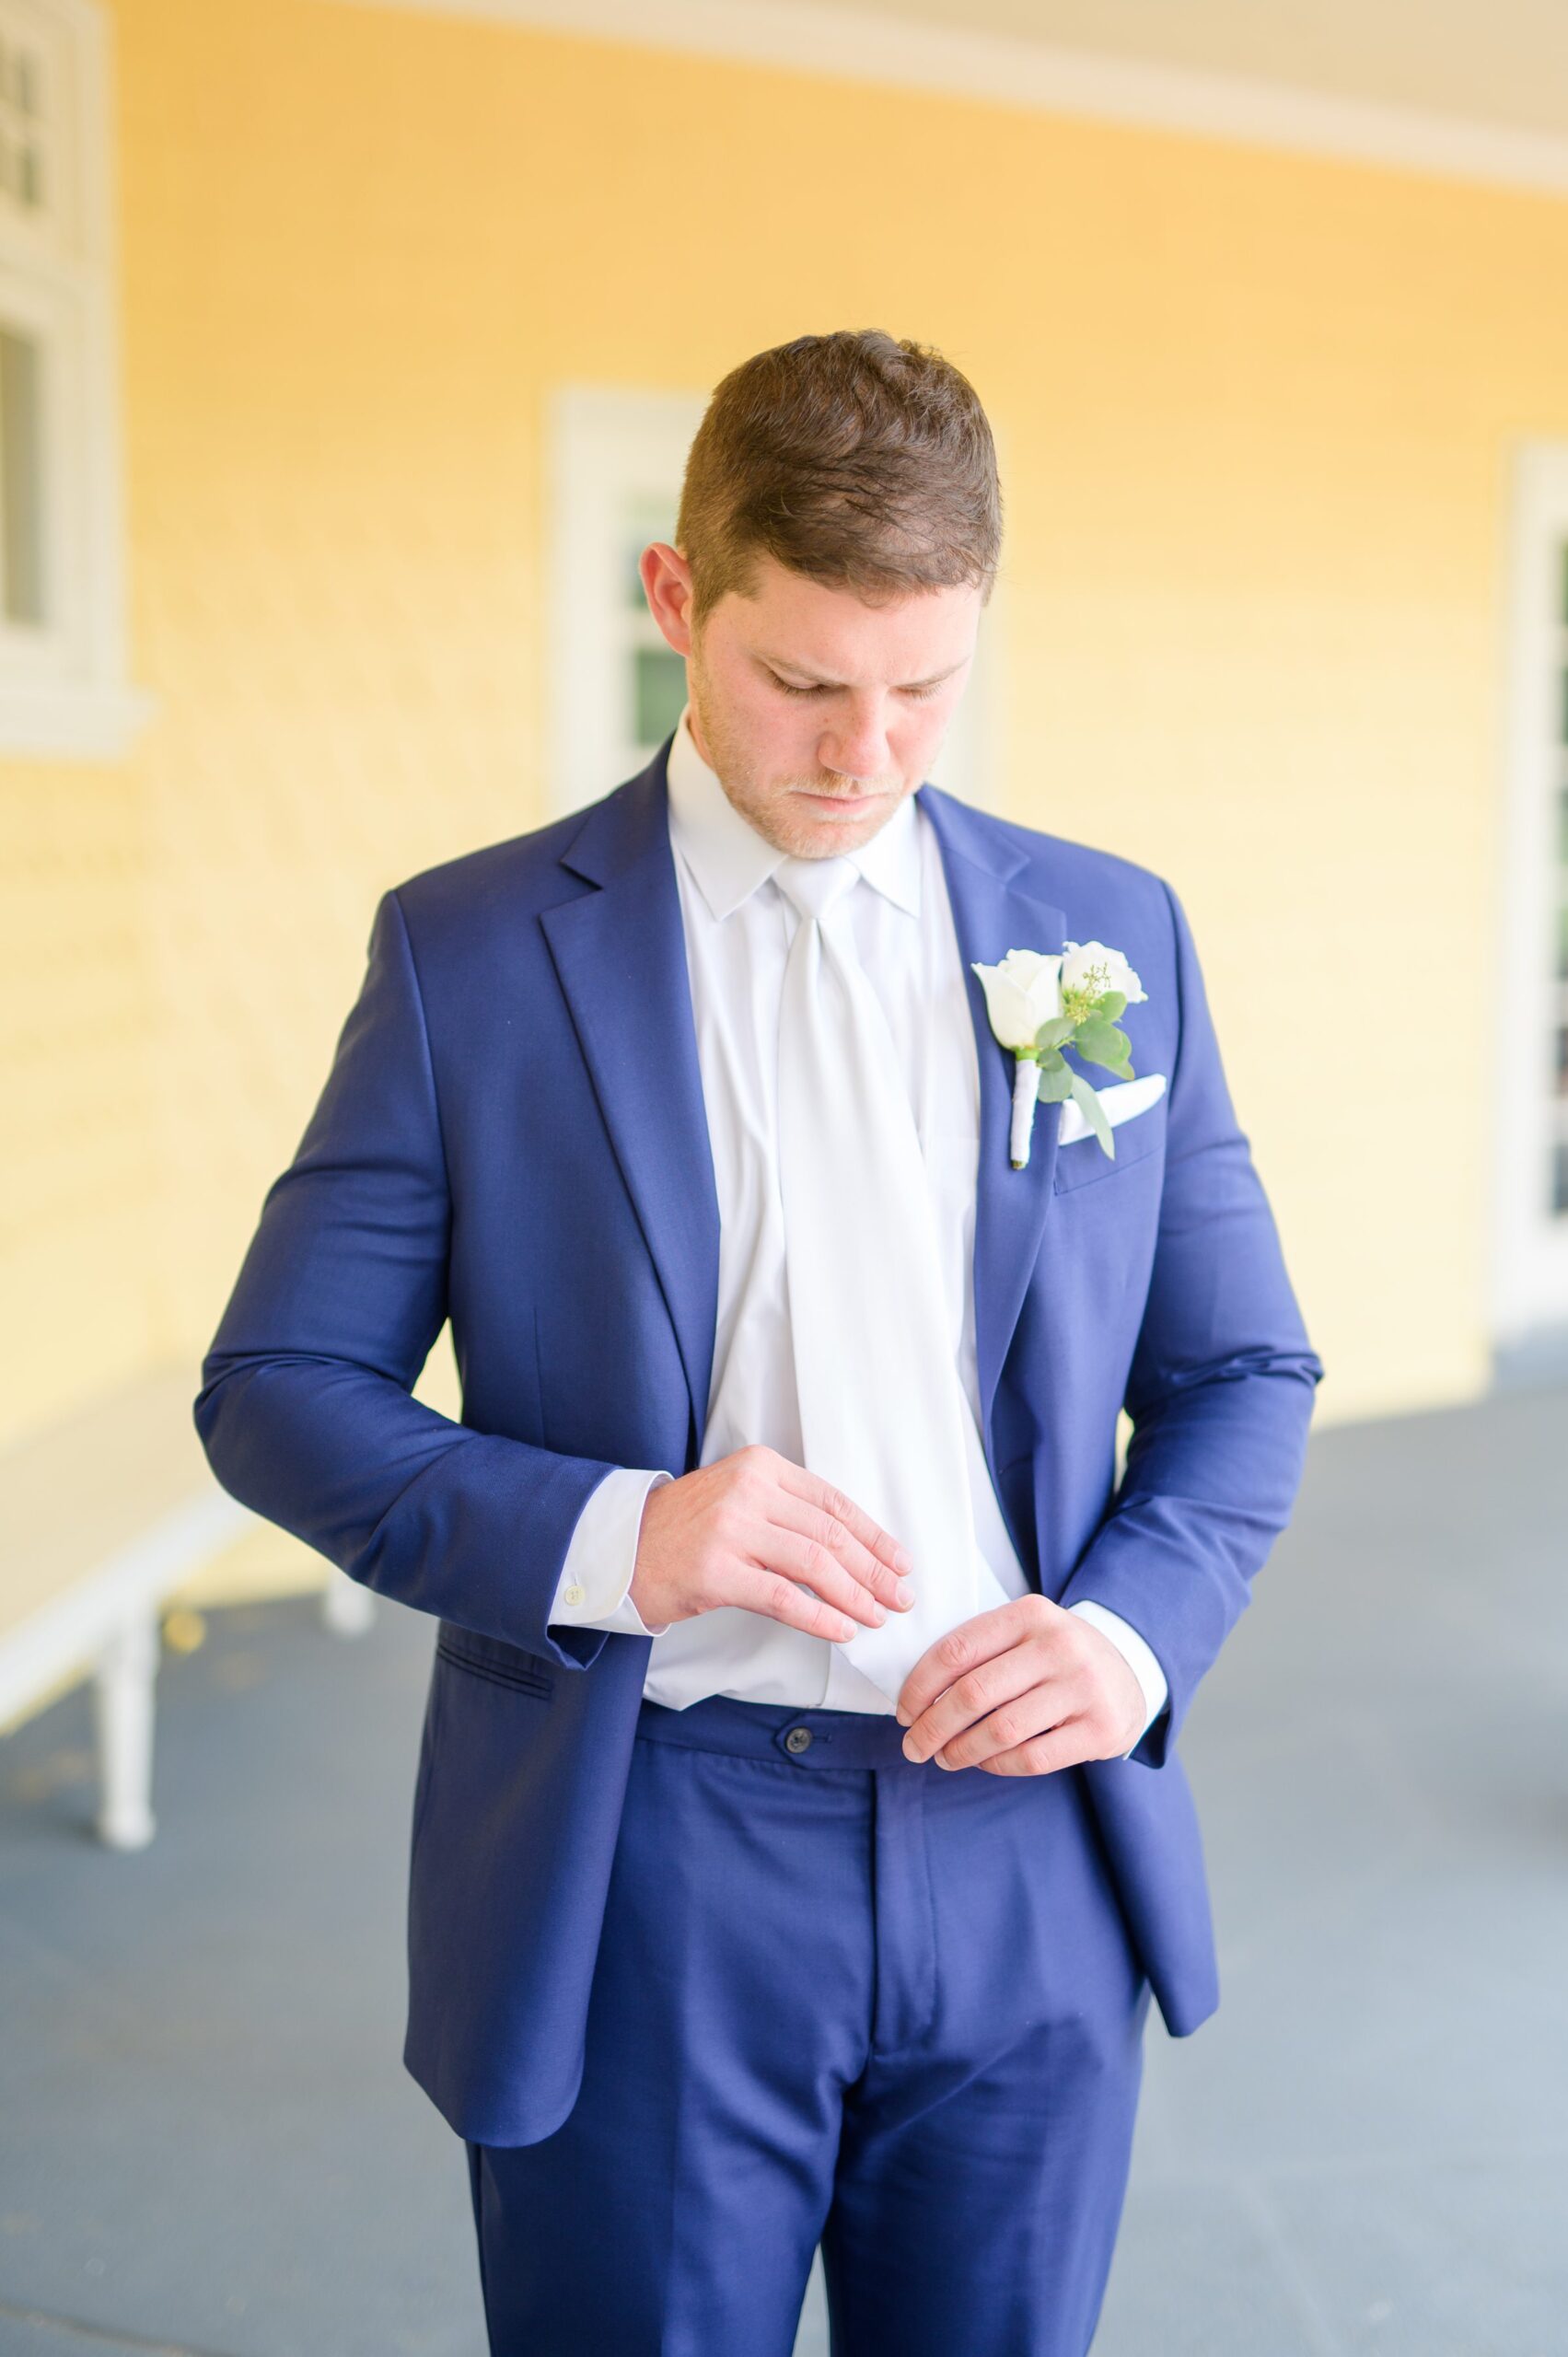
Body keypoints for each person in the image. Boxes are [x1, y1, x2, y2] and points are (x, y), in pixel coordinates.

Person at [194, 327, 1323, 2357]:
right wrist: (619, 1531)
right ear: (673, 600)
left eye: (925, 692)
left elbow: (1246, 1371)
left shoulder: (1110, 935)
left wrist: (1129, 1637)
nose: (862, 755)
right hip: (652, 1854)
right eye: (801, 682)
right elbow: (275, 1390)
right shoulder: (470, 955)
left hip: (1033, 1847)